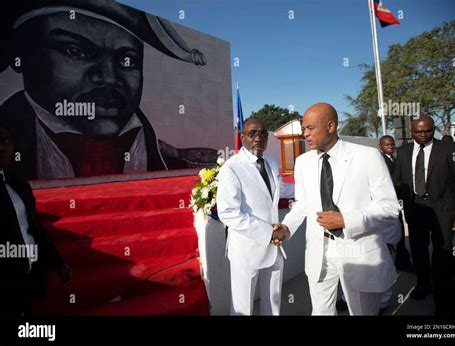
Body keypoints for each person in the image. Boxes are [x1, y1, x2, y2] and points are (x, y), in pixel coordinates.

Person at [0, 1, 216, 179]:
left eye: (127, 61)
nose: (109, 78)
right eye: (76, 51)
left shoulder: (164, 154)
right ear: (21, 57)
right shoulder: (9, 147)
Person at [274, 103, 400, 315]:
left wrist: (345, 221)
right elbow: (303, 204)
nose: (304, 134)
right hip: (318, 253)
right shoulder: (303, 162)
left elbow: (389, 208)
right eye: (303, 128)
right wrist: (286, 227)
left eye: (310, 128)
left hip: (358, 251)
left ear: (331, 126)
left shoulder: (368, 156)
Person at [393, 115, 455, 316]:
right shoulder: (402, 153)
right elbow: (396, 184)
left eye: (427, 130)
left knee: (443, 256)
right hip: (415, 210)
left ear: (434, 129)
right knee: (419, 252)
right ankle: (424, 285)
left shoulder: (451, 150)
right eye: (417, 131)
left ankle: (445, 305)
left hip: (444, 212)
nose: (422, 135)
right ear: (411, 132)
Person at [216, 117, 294, 315]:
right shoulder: (231, 168)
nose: (258, 138)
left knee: (273, 303)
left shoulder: (271, 162)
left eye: (262, 134)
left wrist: (309, 189)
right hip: (247, 248)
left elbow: (280, 190)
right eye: (252, 134)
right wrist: (269, 233)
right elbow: (228, 213)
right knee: (243, 307)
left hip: (275, 249)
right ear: (242, 137)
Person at [0, 127, 72, 317]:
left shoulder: (19, 184)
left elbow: (34, 227)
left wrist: (57, 261)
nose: (2, 148)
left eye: (6, 141)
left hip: (29, 276)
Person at [379, 135, 413, 271]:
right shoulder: (380, 161)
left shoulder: (395, 158)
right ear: (380, 146)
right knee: (390, 235)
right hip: (387, 204)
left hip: (396, 203)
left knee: (397, 232)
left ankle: (401, 260)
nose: (390, 147)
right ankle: (398, 262)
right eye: (387, 145)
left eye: (392, 144)